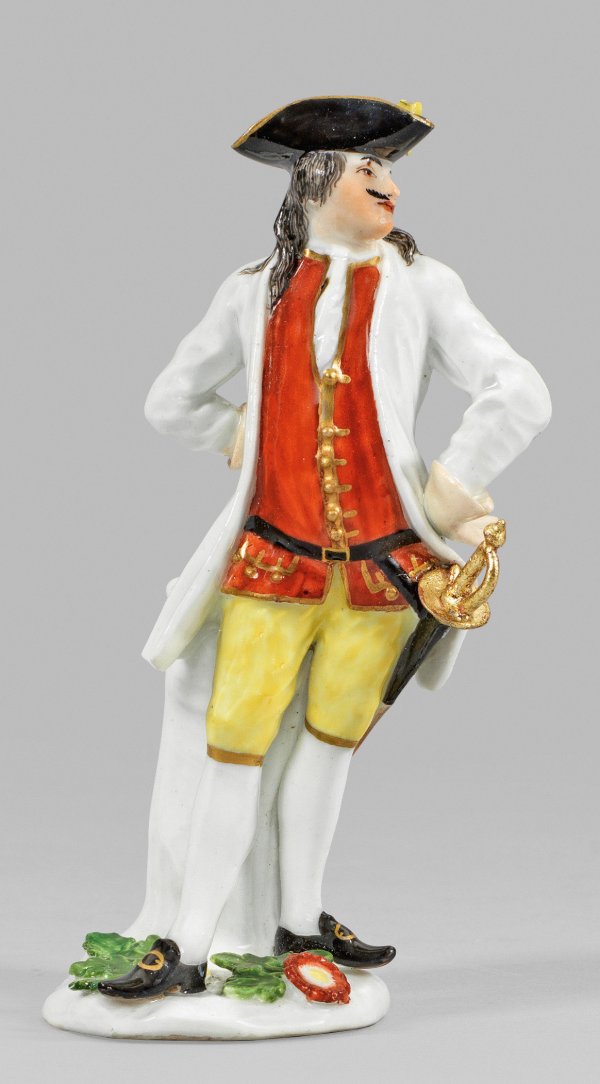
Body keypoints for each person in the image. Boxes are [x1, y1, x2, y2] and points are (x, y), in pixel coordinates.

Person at [99, 97, 551, 1000]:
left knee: (330, 744)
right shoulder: (250, 291)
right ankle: (189, 942)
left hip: (385, 572)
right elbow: (170, 399)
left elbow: (519, 390)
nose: (389, 185)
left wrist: (451, 484)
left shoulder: (425, 285)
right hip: (275, 562)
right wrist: (238, 434)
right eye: (366, 169)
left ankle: (300, 920)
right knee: (235, 748)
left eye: (389, 170)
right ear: (313, 183)